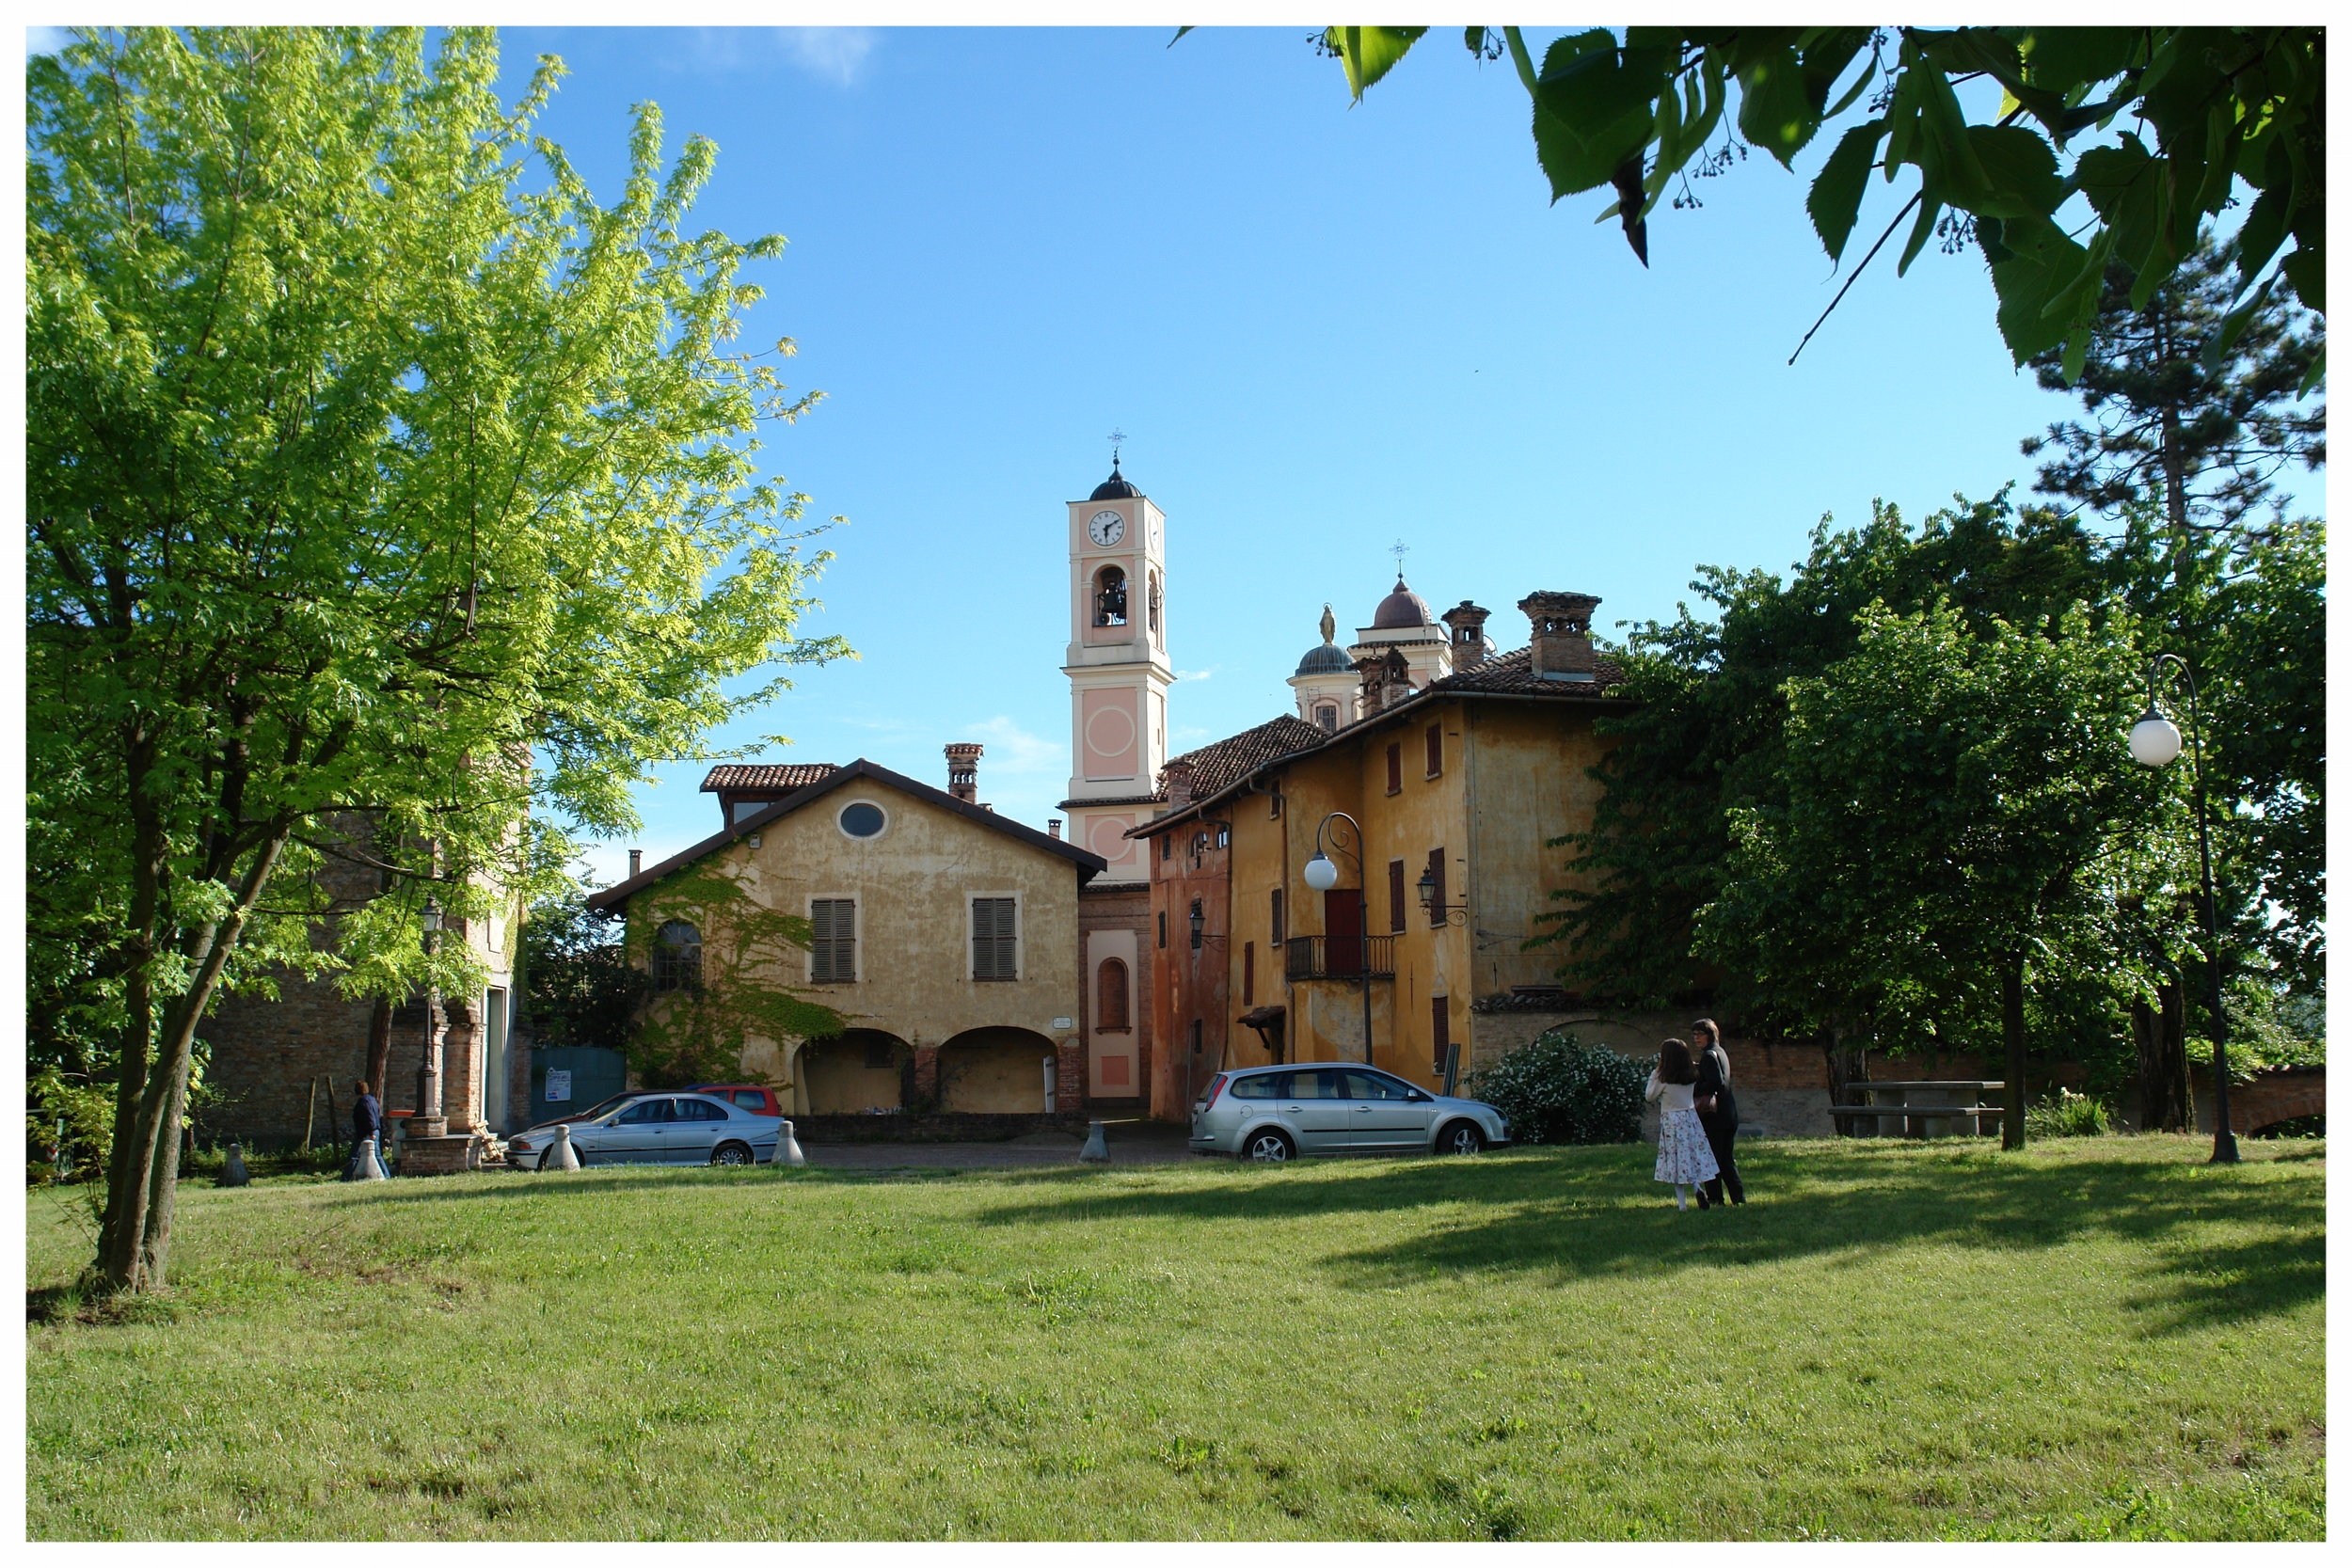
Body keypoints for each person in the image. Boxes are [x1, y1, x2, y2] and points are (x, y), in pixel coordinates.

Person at [1645, 1038, 1718, 1211]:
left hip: (1672, 1120)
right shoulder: (1691, 1074)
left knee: (1676, 1161)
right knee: (1691, 1156)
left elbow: (1649, 1096)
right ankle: (1697, 1188)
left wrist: (1654, 1074)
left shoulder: (1663, 1078)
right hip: (1690, 1117)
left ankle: (1682, 1204)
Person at [1692, 1018, 1744, 1208]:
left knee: (1711, 1159)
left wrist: (1695, 1087)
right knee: (1725, 1159)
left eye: (1700, 1034)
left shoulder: (1708, 1055)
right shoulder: (1720, 1052)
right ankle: (1738, 1198)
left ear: (1710, 1035)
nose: (1696, 1038)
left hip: (1715, 1116)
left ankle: (1715, 1198)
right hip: (1729, 1113)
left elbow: (1716, 1082)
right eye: (1694, 1034)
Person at [345, 1079, 384, 1181]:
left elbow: (369, 1117)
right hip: (375, 1130)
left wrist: (371, 1132)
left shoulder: (363, 1102)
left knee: (354, 1155)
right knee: (377, 1154)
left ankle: (346, 1177)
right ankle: (385, 1175)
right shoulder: (372, 1100)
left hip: (366, 1131)